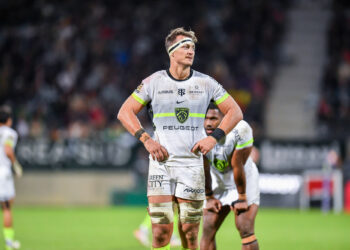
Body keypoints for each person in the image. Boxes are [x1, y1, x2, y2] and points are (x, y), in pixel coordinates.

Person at [117, 27, 243, 250]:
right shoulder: (153, 82)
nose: (190, 51)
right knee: (160, 232)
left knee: (190, 232)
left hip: (192, 165)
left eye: (193, 47)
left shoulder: (206, 83)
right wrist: (147, 140)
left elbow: (235, 112)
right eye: (185, 46)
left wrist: (213, 138)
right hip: (161, 165)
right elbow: (124, 112)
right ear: (172, 52)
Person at [200, 103, 260, 250]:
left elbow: (237, 165)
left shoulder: (241, 129)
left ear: (225, 119)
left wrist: (242, 197)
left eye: (213, 118)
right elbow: (203, 168)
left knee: (244, 227)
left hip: (244, 181)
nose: (208, 123)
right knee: (208, 229)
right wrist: (209, 197)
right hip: (217, 182)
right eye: (206, 118)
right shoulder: (197, 132)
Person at [0, 106, 23, 250]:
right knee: (7, 207)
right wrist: (15, 165)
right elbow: (8, 150)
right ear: (9, 120)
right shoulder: (9, 133)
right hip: (3, 172)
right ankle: (9, 243)